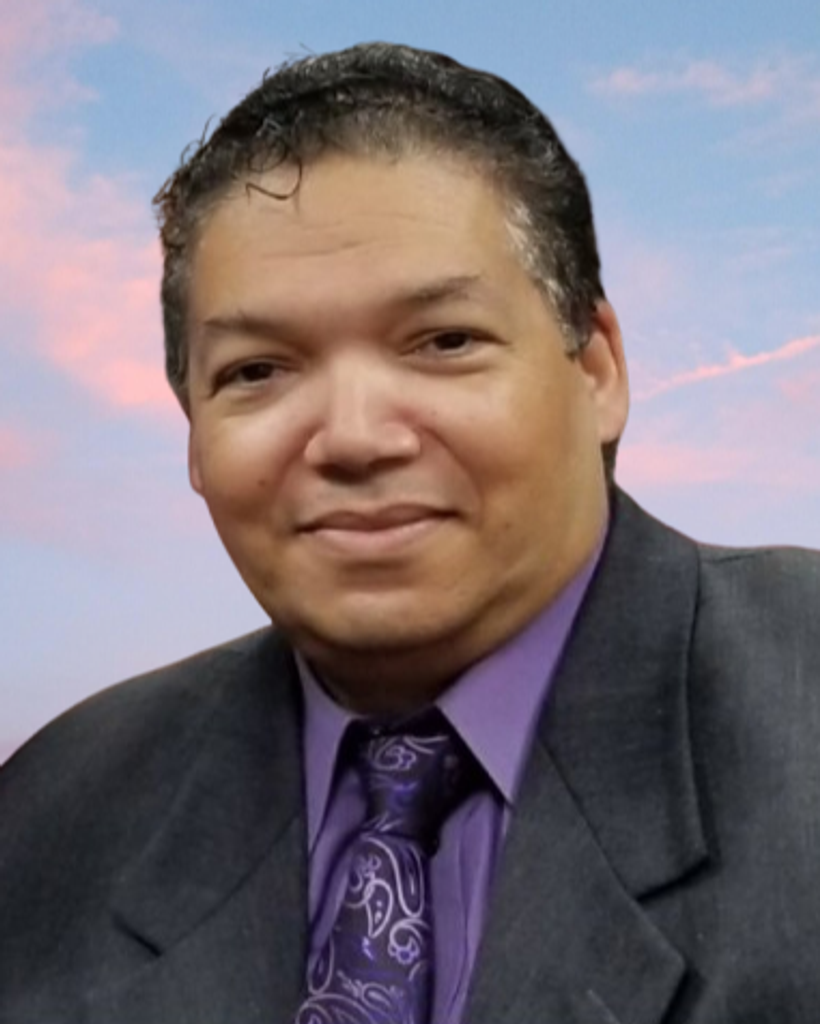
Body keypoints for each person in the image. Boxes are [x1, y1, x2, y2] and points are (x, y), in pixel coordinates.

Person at [1, 42, 819, 1024]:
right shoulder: (52, 814)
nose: (353, 438)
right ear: (193, 435)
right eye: (257, 370)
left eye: (444, 342)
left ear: (595, 369)